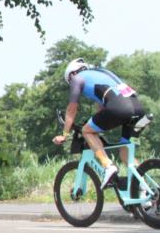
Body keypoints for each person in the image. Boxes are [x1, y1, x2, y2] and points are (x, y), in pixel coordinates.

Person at [53, 58, 148, 188]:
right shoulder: (101, 73)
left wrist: (64, 134)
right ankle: (145, 191)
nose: (71, 84)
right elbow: (102, 109)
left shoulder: (77, 78)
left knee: (86, 131)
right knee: (126, 154)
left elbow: (71, 109)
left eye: (69, 82)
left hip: (120, 108)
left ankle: (107, 166)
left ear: (72, 74)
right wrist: (96, 126)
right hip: (139, 109)